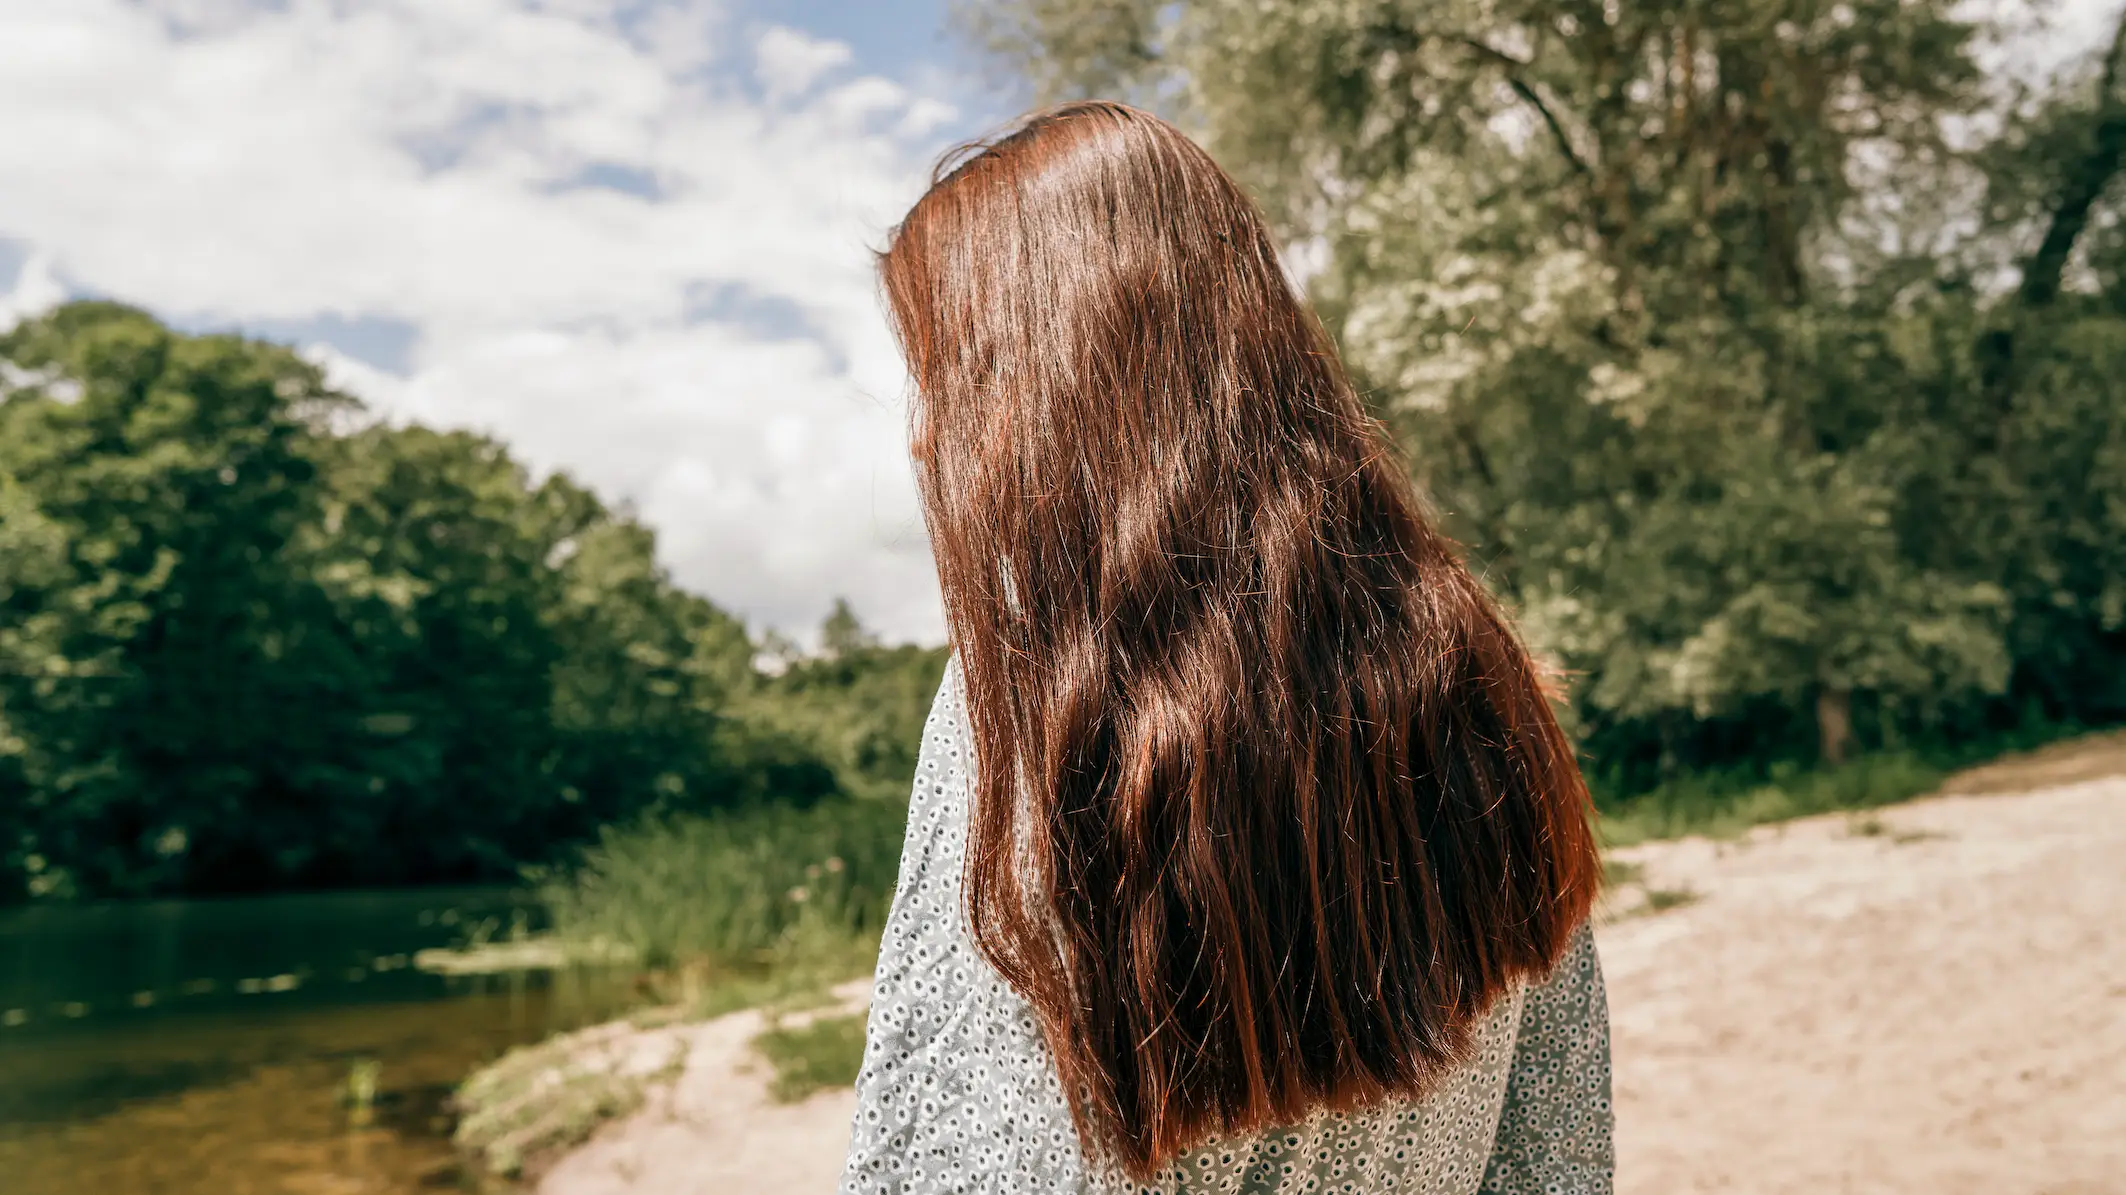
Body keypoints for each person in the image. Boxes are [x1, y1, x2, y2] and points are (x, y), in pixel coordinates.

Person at [838, 101, 1612, 1195]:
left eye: (948, 372)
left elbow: (955, 1162)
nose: (922, 434)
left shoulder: (1021, 709)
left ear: (1052, 379)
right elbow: (1557, 1143)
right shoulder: (1469, 662)